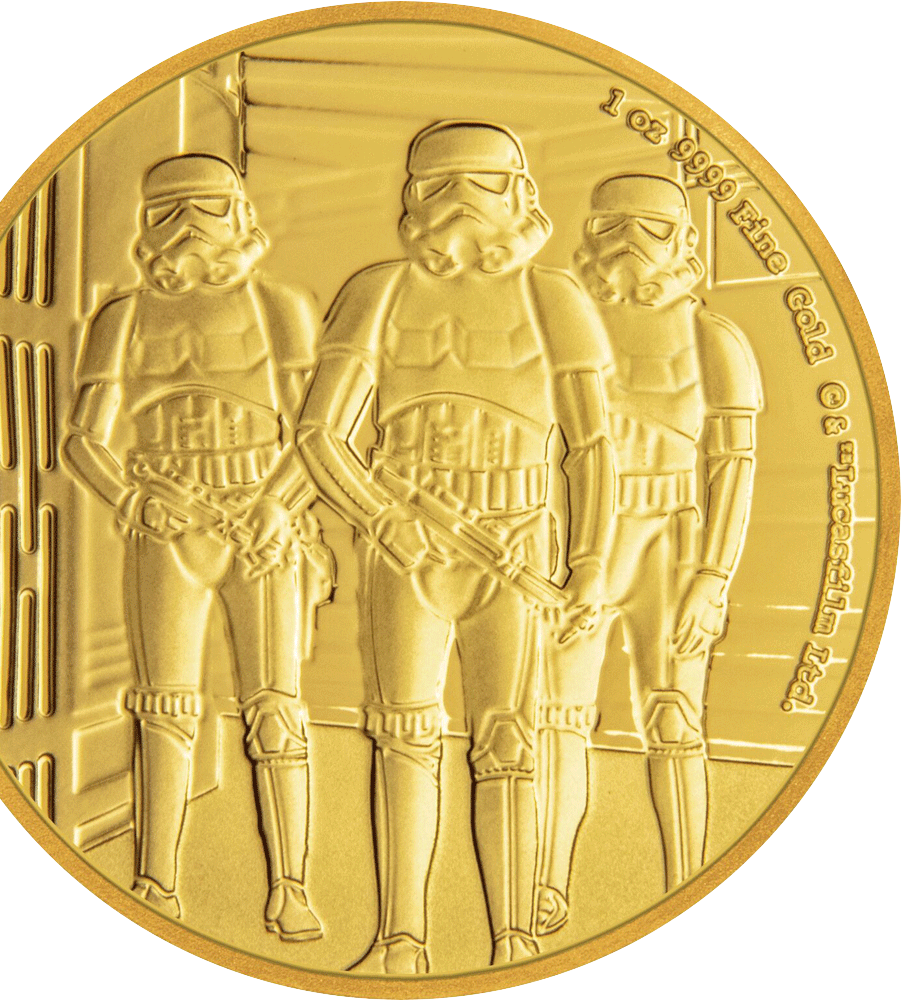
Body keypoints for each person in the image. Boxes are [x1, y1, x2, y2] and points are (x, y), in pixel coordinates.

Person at [296, 121, 615, 971]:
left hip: (516, 538)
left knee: (507, 741)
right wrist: (383, 518)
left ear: (520, 193)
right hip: (406, 546)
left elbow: (592, 447)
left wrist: (589, 565)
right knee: (402, 733)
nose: (460, 201)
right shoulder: (379, 291)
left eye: (482, 181)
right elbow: (321, 434)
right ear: (411, 196)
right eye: (438, 184)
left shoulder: (553, 297)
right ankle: (401, 937)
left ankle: (514, 940)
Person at [62, 153, 333, 940]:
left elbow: (318, 433)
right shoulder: (123, 317)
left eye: (208, 207)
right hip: (165, 526)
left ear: (240, 214)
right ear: (148, 223)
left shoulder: (279, 306)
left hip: (259, 527)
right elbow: (83, 441)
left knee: (276, 711)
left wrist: (280, 506)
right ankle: (156, 881)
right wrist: (132, 499)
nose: (189, 225)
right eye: (169, 210)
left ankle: (291, 886)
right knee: (165, 709)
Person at [534, 174, 763, 935]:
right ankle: (547, 881)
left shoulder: (712, 338)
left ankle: (687, 881)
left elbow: (734, 464)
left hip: (672, 541)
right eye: (613, 226)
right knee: (558, 717)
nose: (631, 243)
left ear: (684, 241)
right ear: (590, 236)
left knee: (672, 718)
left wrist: (713, 579)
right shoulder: (565, 327)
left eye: (652, 227)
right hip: (579, 541)